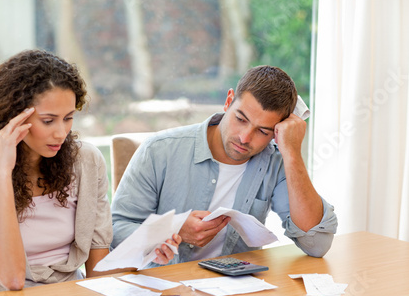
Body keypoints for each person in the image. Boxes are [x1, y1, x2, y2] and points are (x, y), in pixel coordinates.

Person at [0, 49, 181, 294]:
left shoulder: (86, 162)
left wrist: (144, 254)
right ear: (13, 117)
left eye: (68, 118)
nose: (61, 133)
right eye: (48, 121)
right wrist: (2, 173)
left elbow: (97, 271)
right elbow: (12, 279)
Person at [112, 65, 337, 266]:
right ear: (229, 101)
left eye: (263, 131)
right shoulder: (159, 149)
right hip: (164, 295)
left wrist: (293, 153)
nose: (245, 137)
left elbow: (316, 244)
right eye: (240, 119)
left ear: (276, 132)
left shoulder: (275, 163)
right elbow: (114, 230)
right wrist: (172, 228)